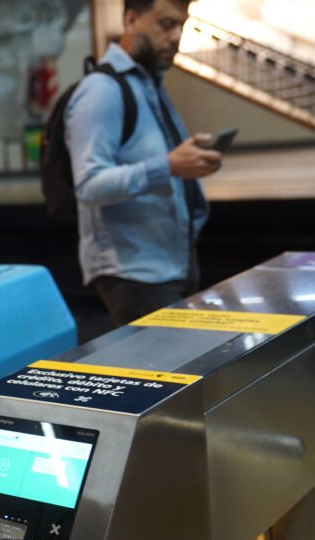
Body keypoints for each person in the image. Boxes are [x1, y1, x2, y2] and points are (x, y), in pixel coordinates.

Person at [64, 0, 223, 326]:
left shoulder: (149, 83)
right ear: (131, 20)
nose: (176, 36)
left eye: (182, 25)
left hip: (171, 262)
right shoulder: (101, 91)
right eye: (165, 24)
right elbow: (89, 185)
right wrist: (169, 166)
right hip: (134, 273)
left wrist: (188, 159)